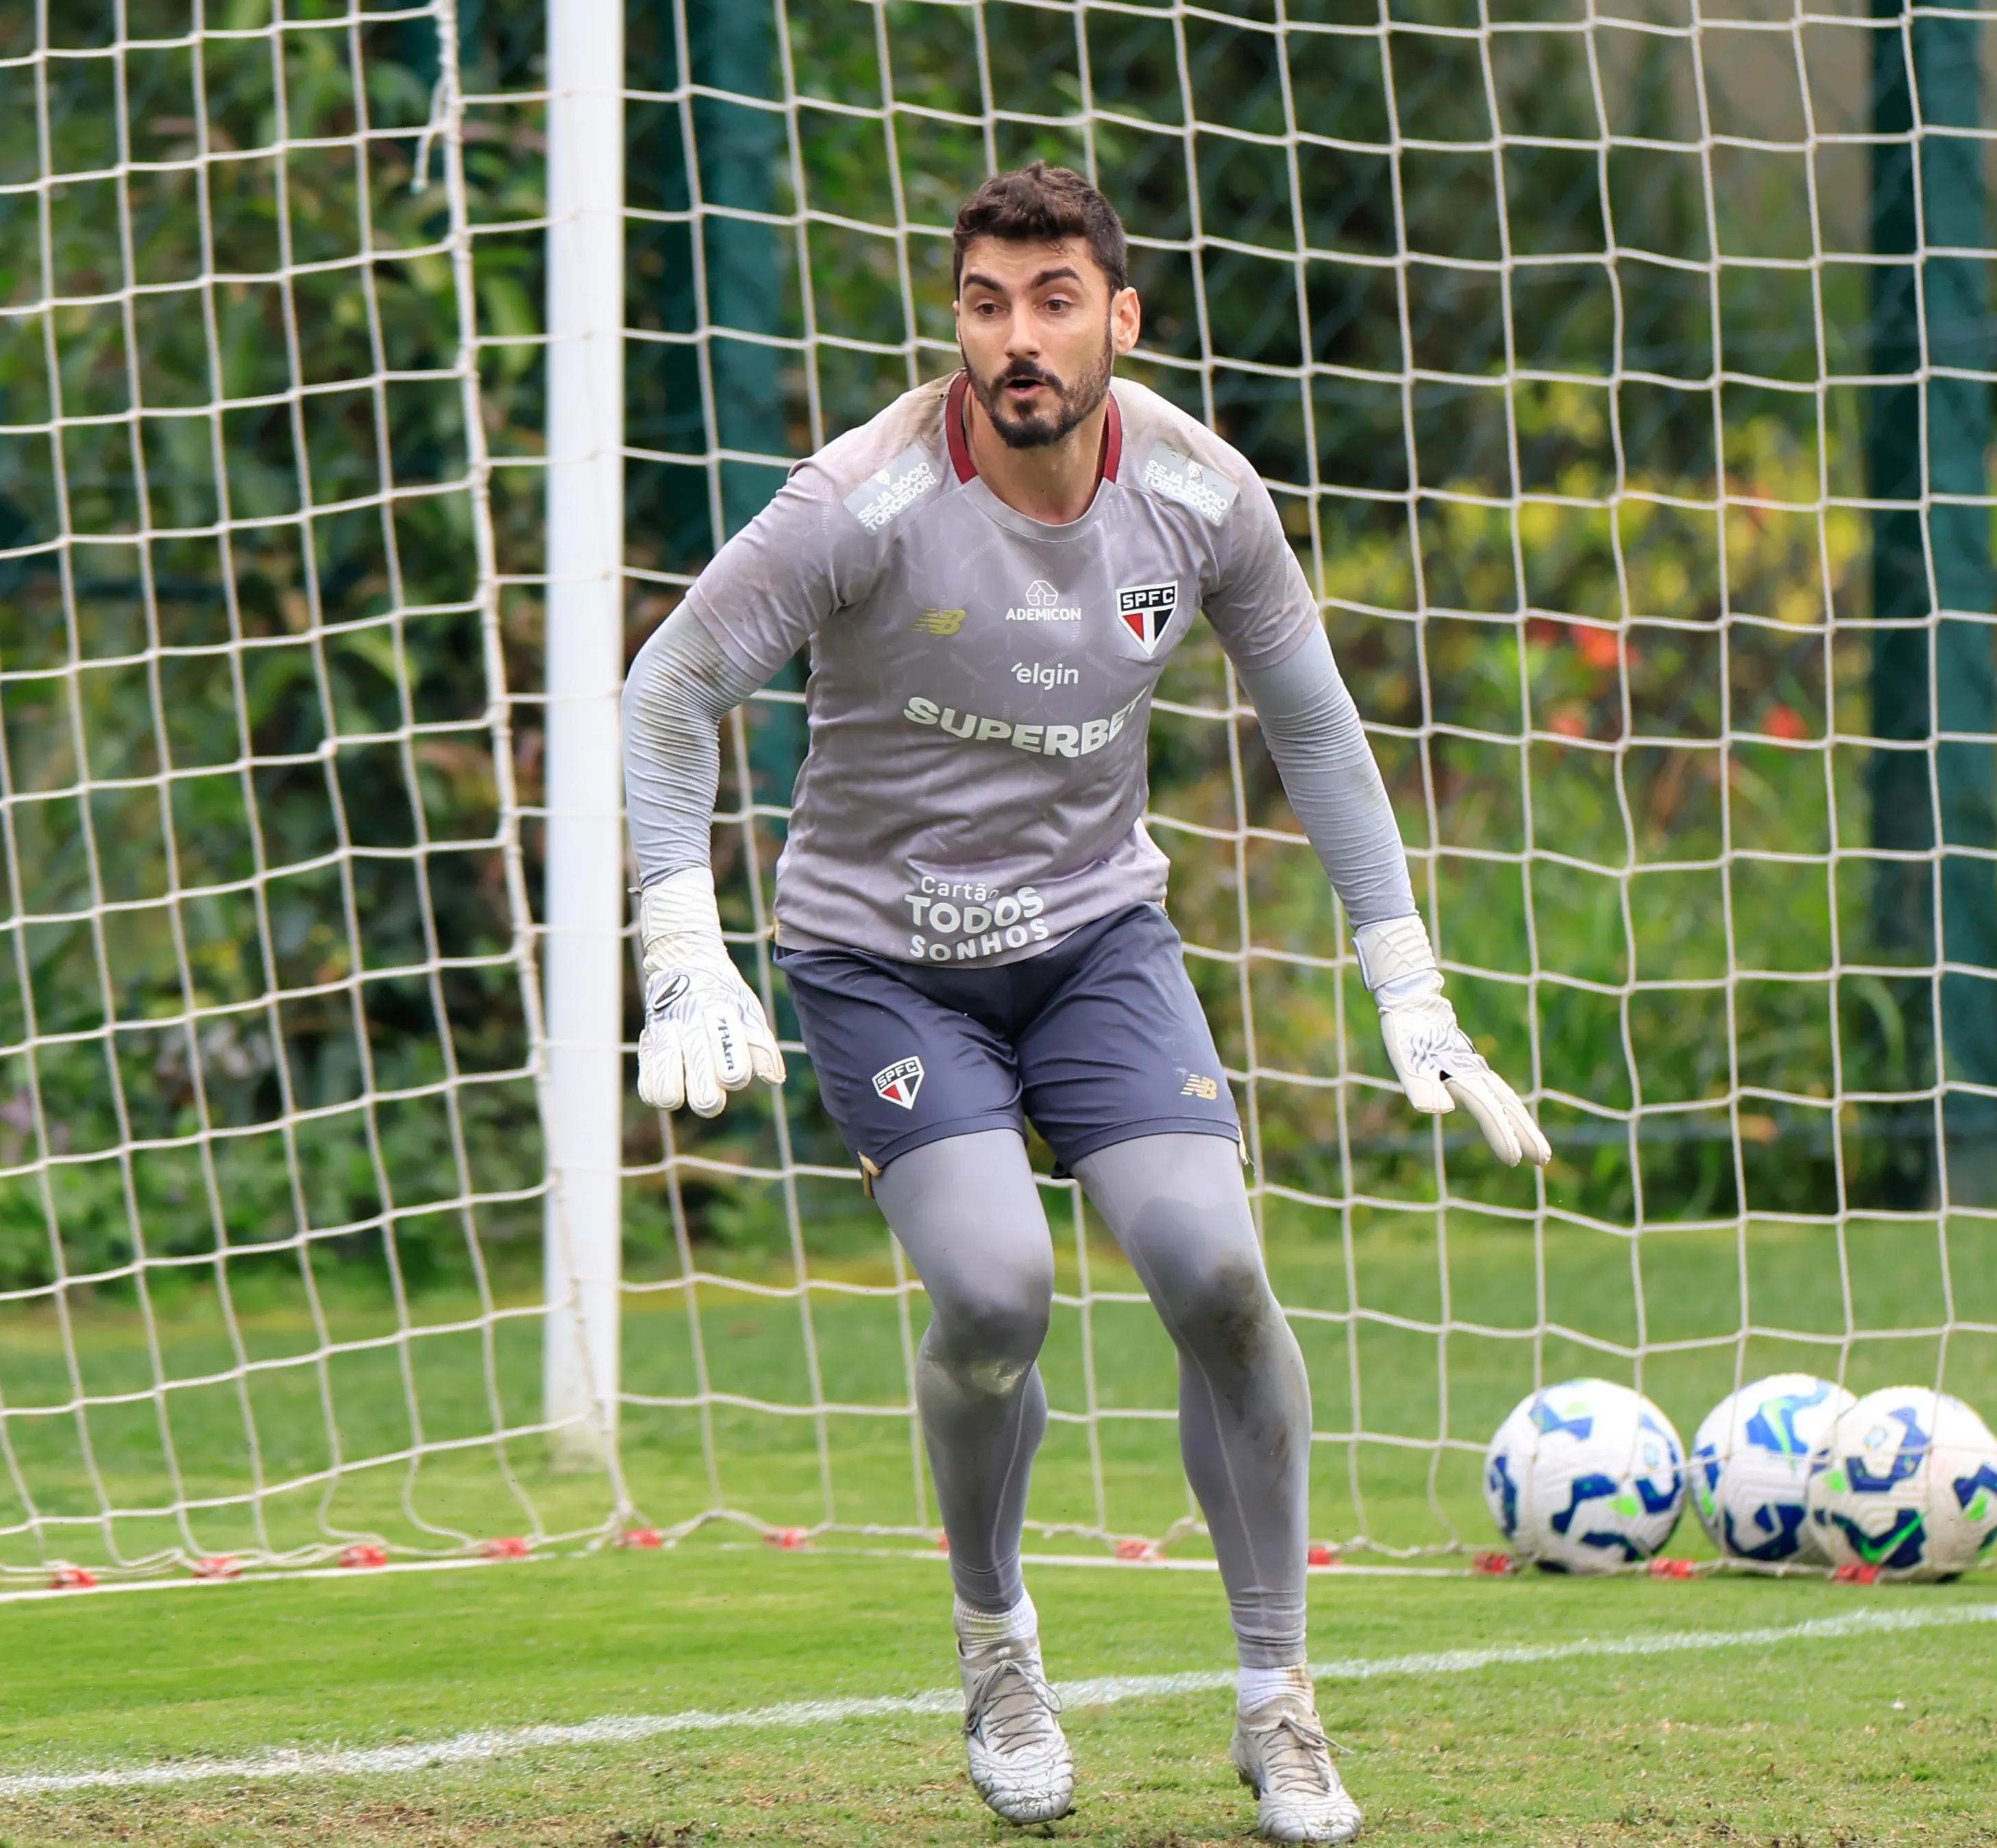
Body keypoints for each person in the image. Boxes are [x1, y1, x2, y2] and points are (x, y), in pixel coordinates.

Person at [619, 160, 1549, 1844]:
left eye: (1054, 302)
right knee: (994, 1293)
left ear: (1120, 319)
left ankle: (1280, 1699)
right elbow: (672, 686)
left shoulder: (1203, 495)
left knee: (1214, 1265)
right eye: (986, 303)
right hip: (884, 961)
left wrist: (1404, 973)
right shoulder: (860, 501)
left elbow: (1320, 731)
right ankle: (997, 1648)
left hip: (1095, 947)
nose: (1016, 339)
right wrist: (682, 936)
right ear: (957, 319)